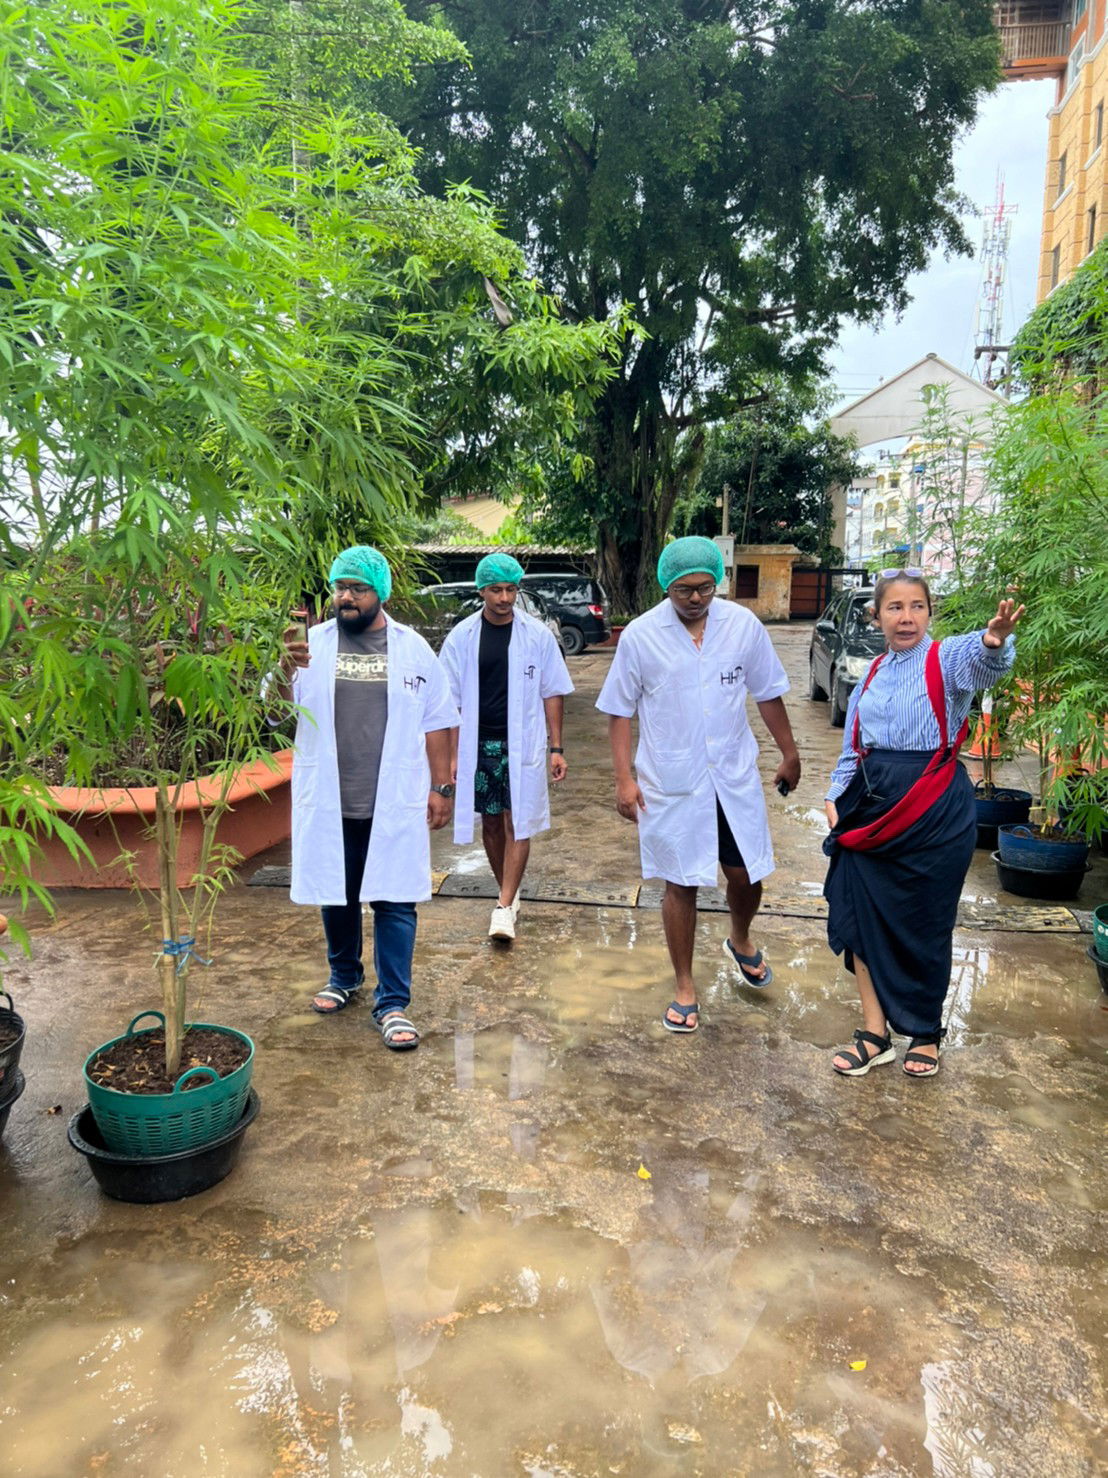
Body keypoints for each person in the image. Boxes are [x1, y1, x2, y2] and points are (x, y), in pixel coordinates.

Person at [596, 536, 802, 1032]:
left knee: (746, 874)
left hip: (731, 774)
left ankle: (741, 938)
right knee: (680, 882)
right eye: (684, 590)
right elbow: (619, 713)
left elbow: (768, 693)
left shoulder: (744, 627)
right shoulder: (642, 636)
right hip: (671, 779)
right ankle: (685, 985)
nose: (695, 598)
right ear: (667, 586)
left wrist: (790, 753)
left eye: (706, 588)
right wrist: (624, 780)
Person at [823, 571, 1024, 1078]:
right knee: (859, 919)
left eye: (916, 606)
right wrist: (833, 796)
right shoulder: (870, 673)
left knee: (926, 922)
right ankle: (874, 1033)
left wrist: (994, 640)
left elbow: (983, 662)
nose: (906, 617)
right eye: (894, 607)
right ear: (878, 615)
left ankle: (925, 1032)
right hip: (869, 809)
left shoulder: (946, 659)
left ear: (930, 613)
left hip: (933, 809)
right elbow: (853, 747)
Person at [271, 546, 458, 1051]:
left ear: (381, 593)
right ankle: (344, 976)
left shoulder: (413, 647)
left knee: (395, 900)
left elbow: (439, 720)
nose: (346, 597)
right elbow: (273, 716)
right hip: (332, 798)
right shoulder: (309, 646)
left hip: (392, 800)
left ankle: (393, 1002)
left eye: (357, 588)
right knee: (337, 892)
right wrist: (284, 674)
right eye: (340, 587)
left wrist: (442, 787)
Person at [438, 553, 574, 941]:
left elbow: (553, 692)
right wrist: (449, 757)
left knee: (520, 819)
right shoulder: (462, 637)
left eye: (511, 589)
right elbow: (448, 702)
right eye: (496, 590)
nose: (504, 598)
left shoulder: (538, 636)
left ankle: (502, 906)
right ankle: (508, 895)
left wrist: (556, 747)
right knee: (493, 821)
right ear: (481, 590)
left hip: (523, 745)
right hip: (478, 745)